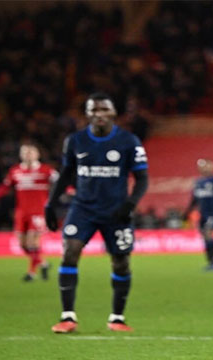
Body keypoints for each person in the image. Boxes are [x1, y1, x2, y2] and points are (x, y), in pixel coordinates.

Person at [44, 92, 149, 334]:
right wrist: (51, 203)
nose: (99, 114)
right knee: (70, 251)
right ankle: (67, 316)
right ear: (87, 114)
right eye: (94, 110)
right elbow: (66, 174)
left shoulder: (128, 141)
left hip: (116, 211)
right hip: (83, 208)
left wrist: (130, 204)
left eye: (104, 110)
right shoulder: (76, 140)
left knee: (121, 262)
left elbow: (142, 178)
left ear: (113, 113)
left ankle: (117, 318)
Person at [0, 144, 57, 281]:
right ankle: (43, 263)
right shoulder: (15, 171)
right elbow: (5, 187)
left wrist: (70, 190)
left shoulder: (46, 170)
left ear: (37, 154)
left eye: (31, 152)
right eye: (25, 152)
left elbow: (61, 182)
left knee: (33, 241)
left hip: (38, 211)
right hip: (22, 211)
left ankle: (31, 273)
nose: (28, 155)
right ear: (21, 155)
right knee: (22, 244)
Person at [183, 158, 213, 271]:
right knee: (205, 236)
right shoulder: (198, 182)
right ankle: (212, 261)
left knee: (208, 233)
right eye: (202, 166)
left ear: (212, 167)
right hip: (203, 214)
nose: (204, 168)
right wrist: (187, 212)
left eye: (206, 166)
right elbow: (194, 199)